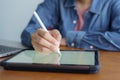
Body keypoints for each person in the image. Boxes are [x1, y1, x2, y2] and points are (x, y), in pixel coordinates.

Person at [21, 0, 120, 53]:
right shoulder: (54, 2)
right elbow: (28, 31)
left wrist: (69, 39)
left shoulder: (115, 3)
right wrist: (36, 38)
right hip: (58, 66)